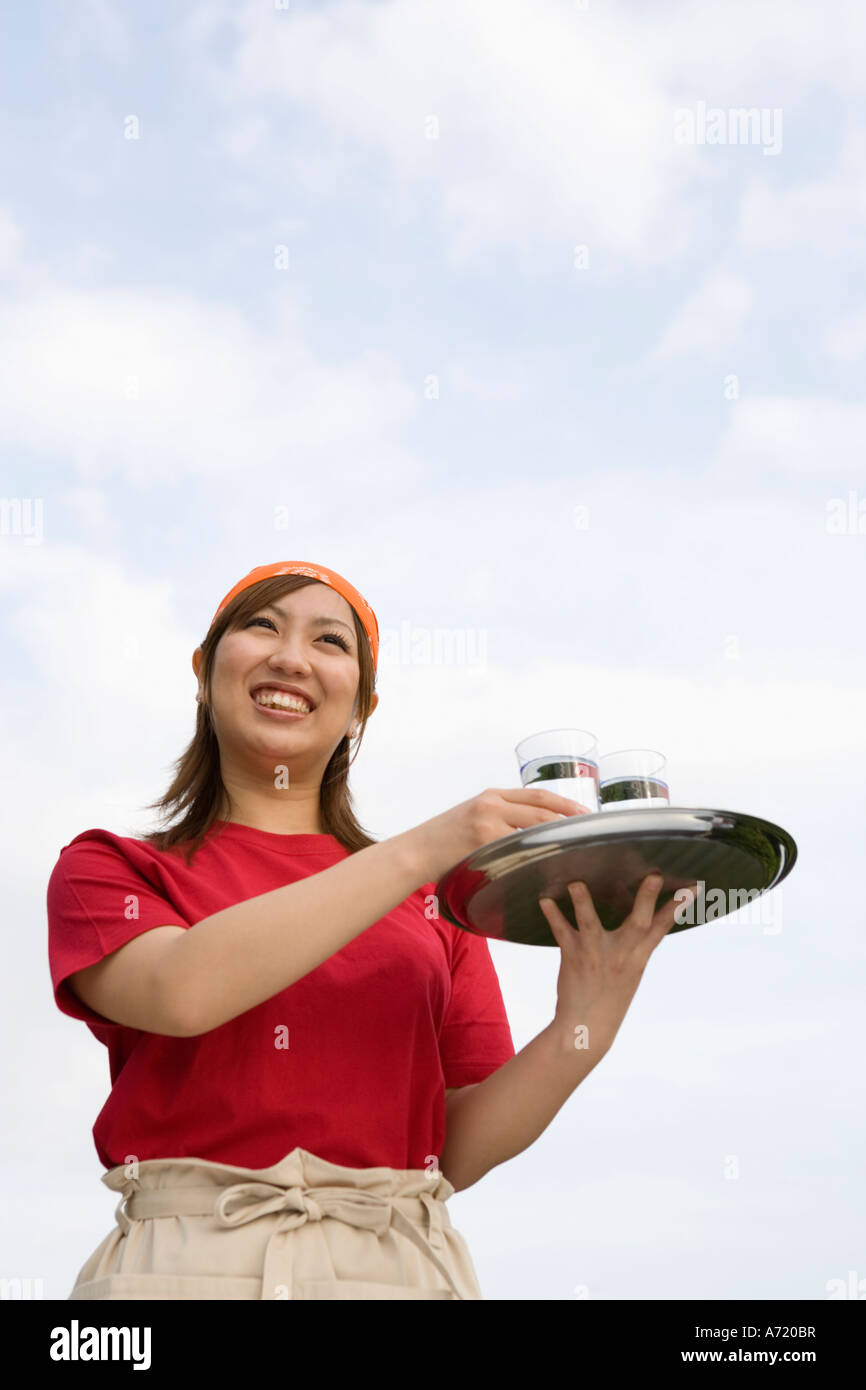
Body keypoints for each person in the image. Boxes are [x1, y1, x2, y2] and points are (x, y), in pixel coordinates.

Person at [47, 559, 691, 1300]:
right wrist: (425, 848)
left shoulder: (435, 904)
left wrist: (586, 1025)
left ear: (362, 708)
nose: (291, 657)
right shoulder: (111, 869)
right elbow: (181, 990)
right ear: (203, 670)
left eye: (330, 642)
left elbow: (453, 1152)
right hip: (184, 1266)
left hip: (399, 1269)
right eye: (262, 626)